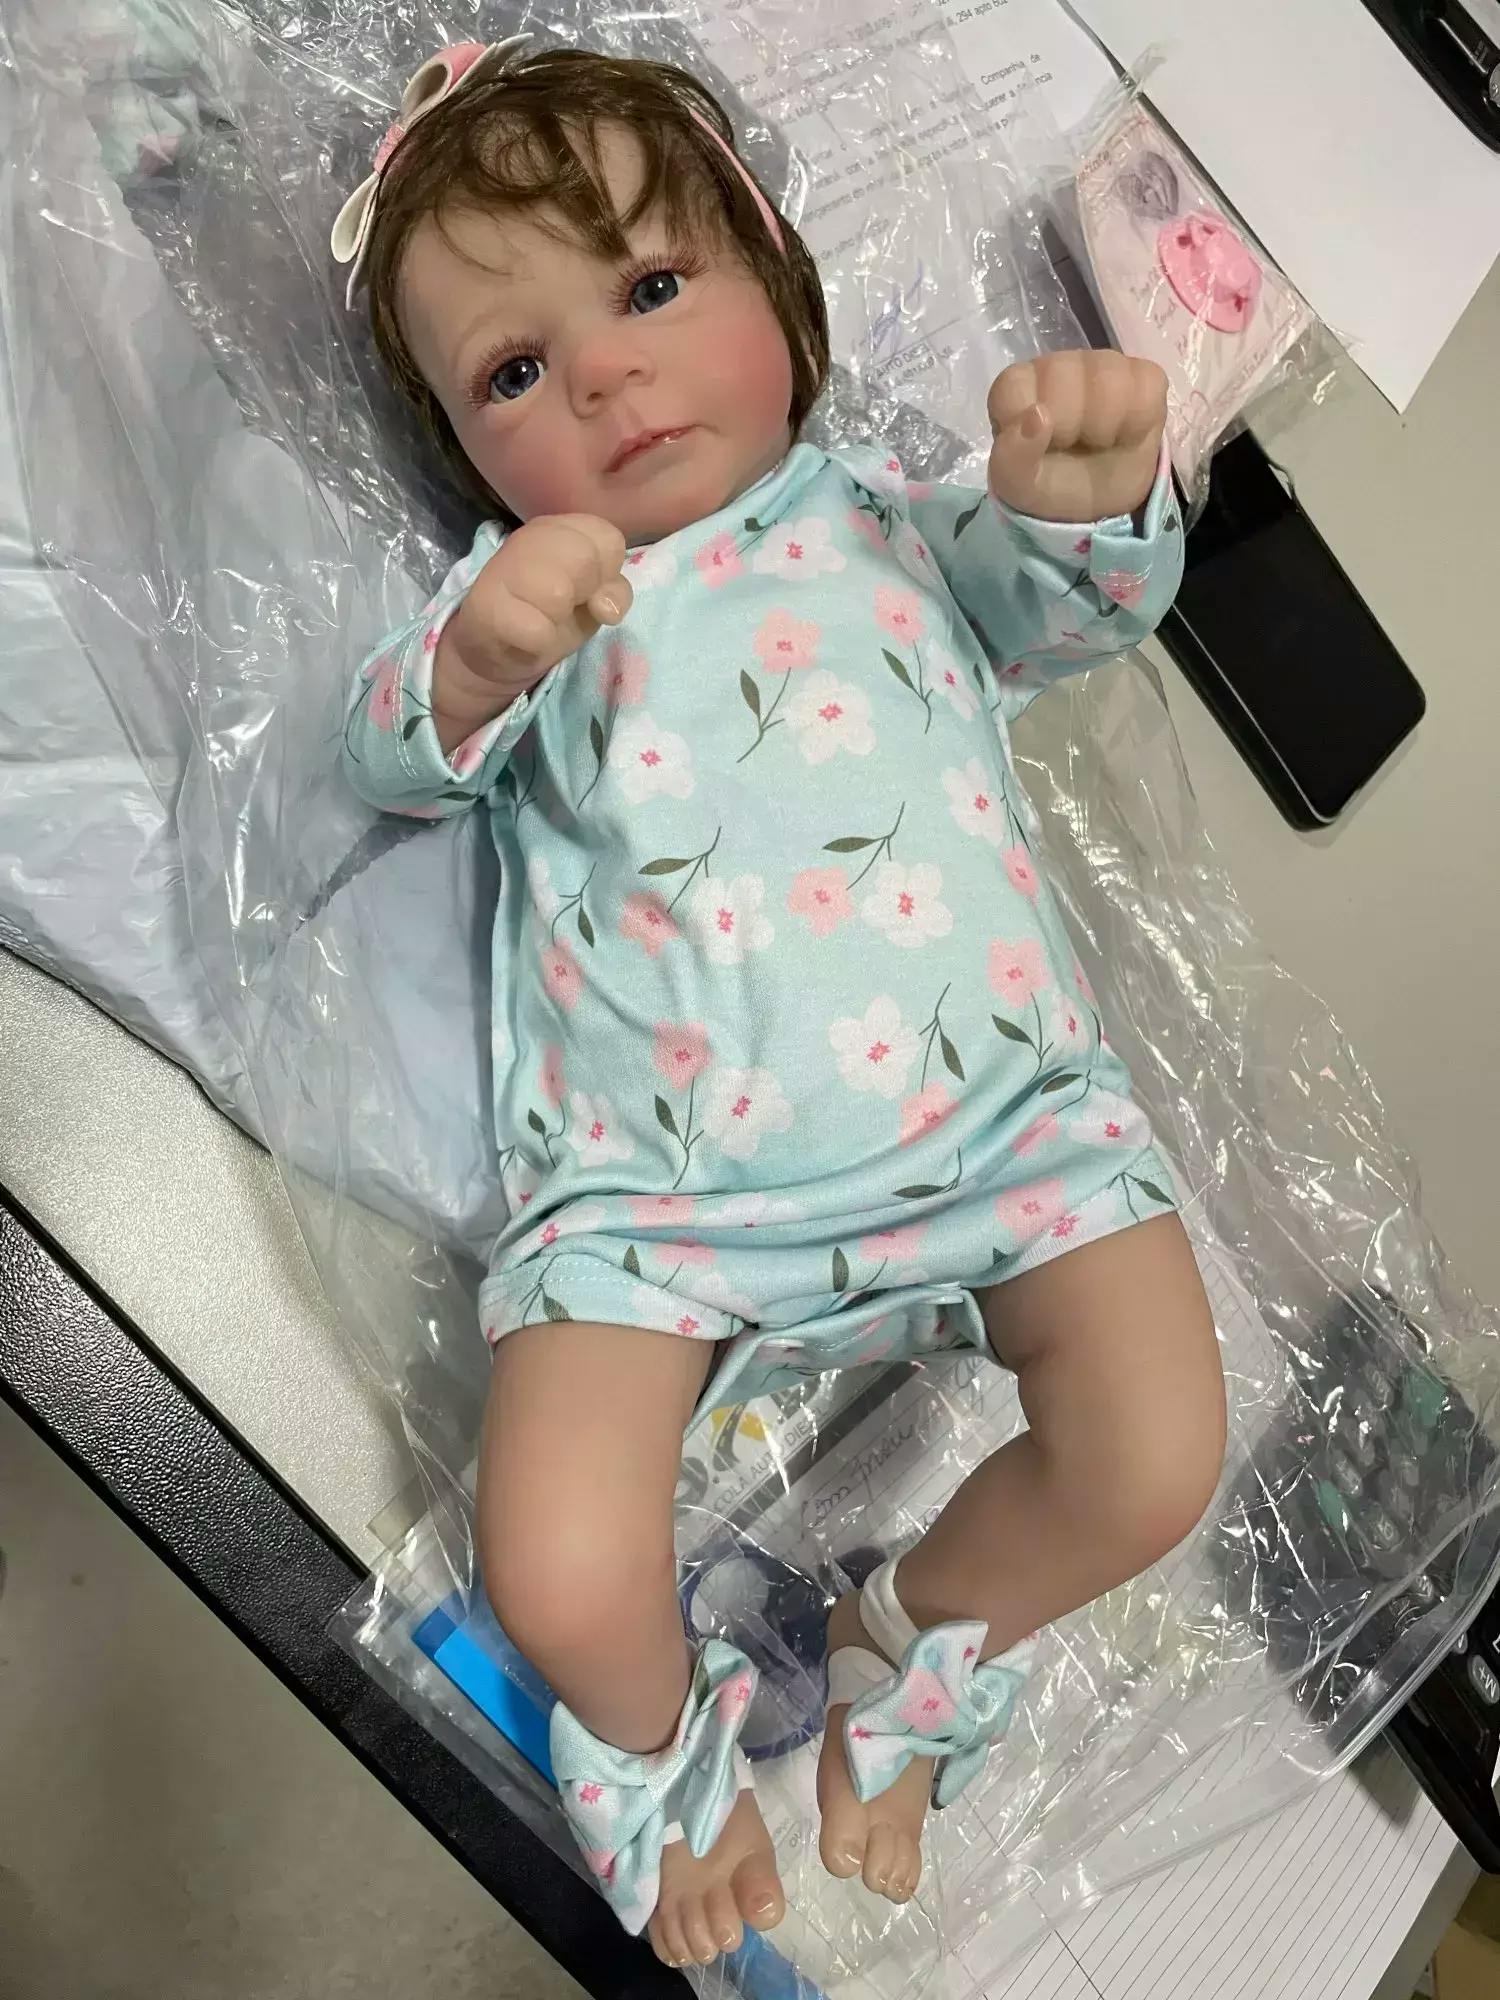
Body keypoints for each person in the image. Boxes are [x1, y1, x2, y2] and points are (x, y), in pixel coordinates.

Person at [335, 39, 1226, 1971]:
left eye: (653, 286)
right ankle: (670, 1756)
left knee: (1158, 1449)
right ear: (467, 454)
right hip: (661, 1206)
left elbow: (1064, 608)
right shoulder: (537, 603)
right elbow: (392, 751)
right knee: (558, 1566)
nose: (604, 374)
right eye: (513, 372)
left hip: (1001, 1131)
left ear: (777, 283)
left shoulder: (890, 523)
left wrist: (1089, 502)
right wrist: (477, 657)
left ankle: (910, 1631)